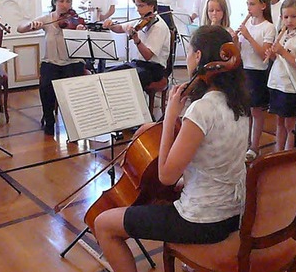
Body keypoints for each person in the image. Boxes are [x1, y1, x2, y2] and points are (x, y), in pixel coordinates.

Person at [94, 25, 250, 272]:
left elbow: (165, 176)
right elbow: (214, 160)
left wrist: (169, 117)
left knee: (104, 224)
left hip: (202, 220)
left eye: (189, 52)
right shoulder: (240, 105)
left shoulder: (202, 109)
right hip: (233, 215)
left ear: (198, 57)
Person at [17, 0, 87, 136]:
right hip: (51, 61)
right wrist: (31, 24)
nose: (65, 4)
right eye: (61, 1)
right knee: (46, 85)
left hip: (72, 62)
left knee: (71, 88)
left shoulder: (75, 20)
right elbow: (20, 29)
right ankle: (49, 118)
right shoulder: (47, 19)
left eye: (68, 1)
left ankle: (73, 122)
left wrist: (80, 30)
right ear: (55, 2)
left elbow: (83, 43)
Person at [264, 0, 296, 151]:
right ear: (281, 18)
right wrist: (272, 54)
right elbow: (280, 60)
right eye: (286, 17)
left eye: (293, 16)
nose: (289, 20)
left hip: (292, 88)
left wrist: (283, 52)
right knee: (279, 122)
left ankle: (289, 153)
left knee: (290, 124)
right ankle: (278, 152)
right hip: (279, 84)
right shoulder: (283, 35)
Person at [236, 0, 275, 160]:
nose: (249, 8)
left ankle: (254, 146)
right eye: (247, 4)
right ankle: (243, 143)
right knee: (245, 110)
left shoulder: (269, 27)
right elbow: (239, 51)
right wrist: (236, 40)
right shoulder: (248, 24)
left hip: (258, 72)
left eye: (252, 4)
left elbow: (264, 55)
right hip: (244, 69)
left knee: (256, 112)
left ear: (263, 6)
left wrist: (249, 36)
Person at [102, 0, 171, 89]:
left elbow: (148, 56)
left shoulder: (158, 26)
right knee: (107, 75)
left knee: (124, 82)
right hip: (138, 64)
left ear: (152, 6)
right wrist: (111, 25)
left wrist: (136, 40)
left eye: (141, 6)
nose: (138, 10)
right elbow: (121, 28)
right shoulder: (141, 20)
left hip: (154, 68)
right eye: (137, 6)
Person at [81, 0, 117, 73]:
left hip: (105, 24)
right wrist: (90, 9)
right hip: (92, 24)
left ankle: (102, 73)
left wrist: (104, 17)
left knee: (103, 53)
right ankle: (91, 72)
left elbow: (112, 8)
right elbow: (81, 4)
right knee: (90, 50)